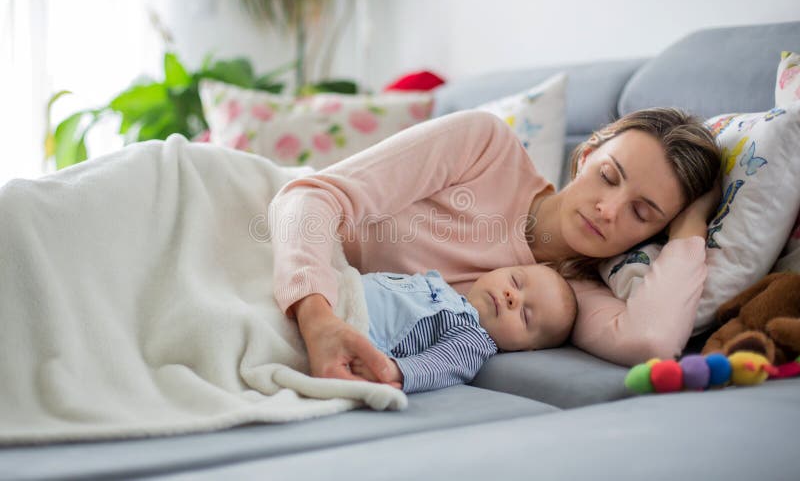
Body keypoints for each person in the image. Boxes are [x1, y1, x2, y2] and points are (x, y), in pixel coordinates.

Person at [268, 108, 721, 384]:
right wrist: (318, 319)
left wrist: (690, 228)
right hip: (274, 227)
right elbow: (312, 197)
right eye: (608, 176)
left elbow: (651, 340)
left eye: (642, 213)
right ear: (586, 156)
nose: (608, 209)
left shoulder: (568, 300)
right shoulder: (484, 149)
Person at [353, 264, 577, 393]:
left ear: (525, 349)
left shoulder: (474, 340)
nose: (512, 297)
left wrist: (394, 371)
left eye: (524, 315)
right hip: (339, 292)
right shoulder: (448, 292)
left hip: (357, 328)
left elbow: (440, 365)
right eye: (515, 281)